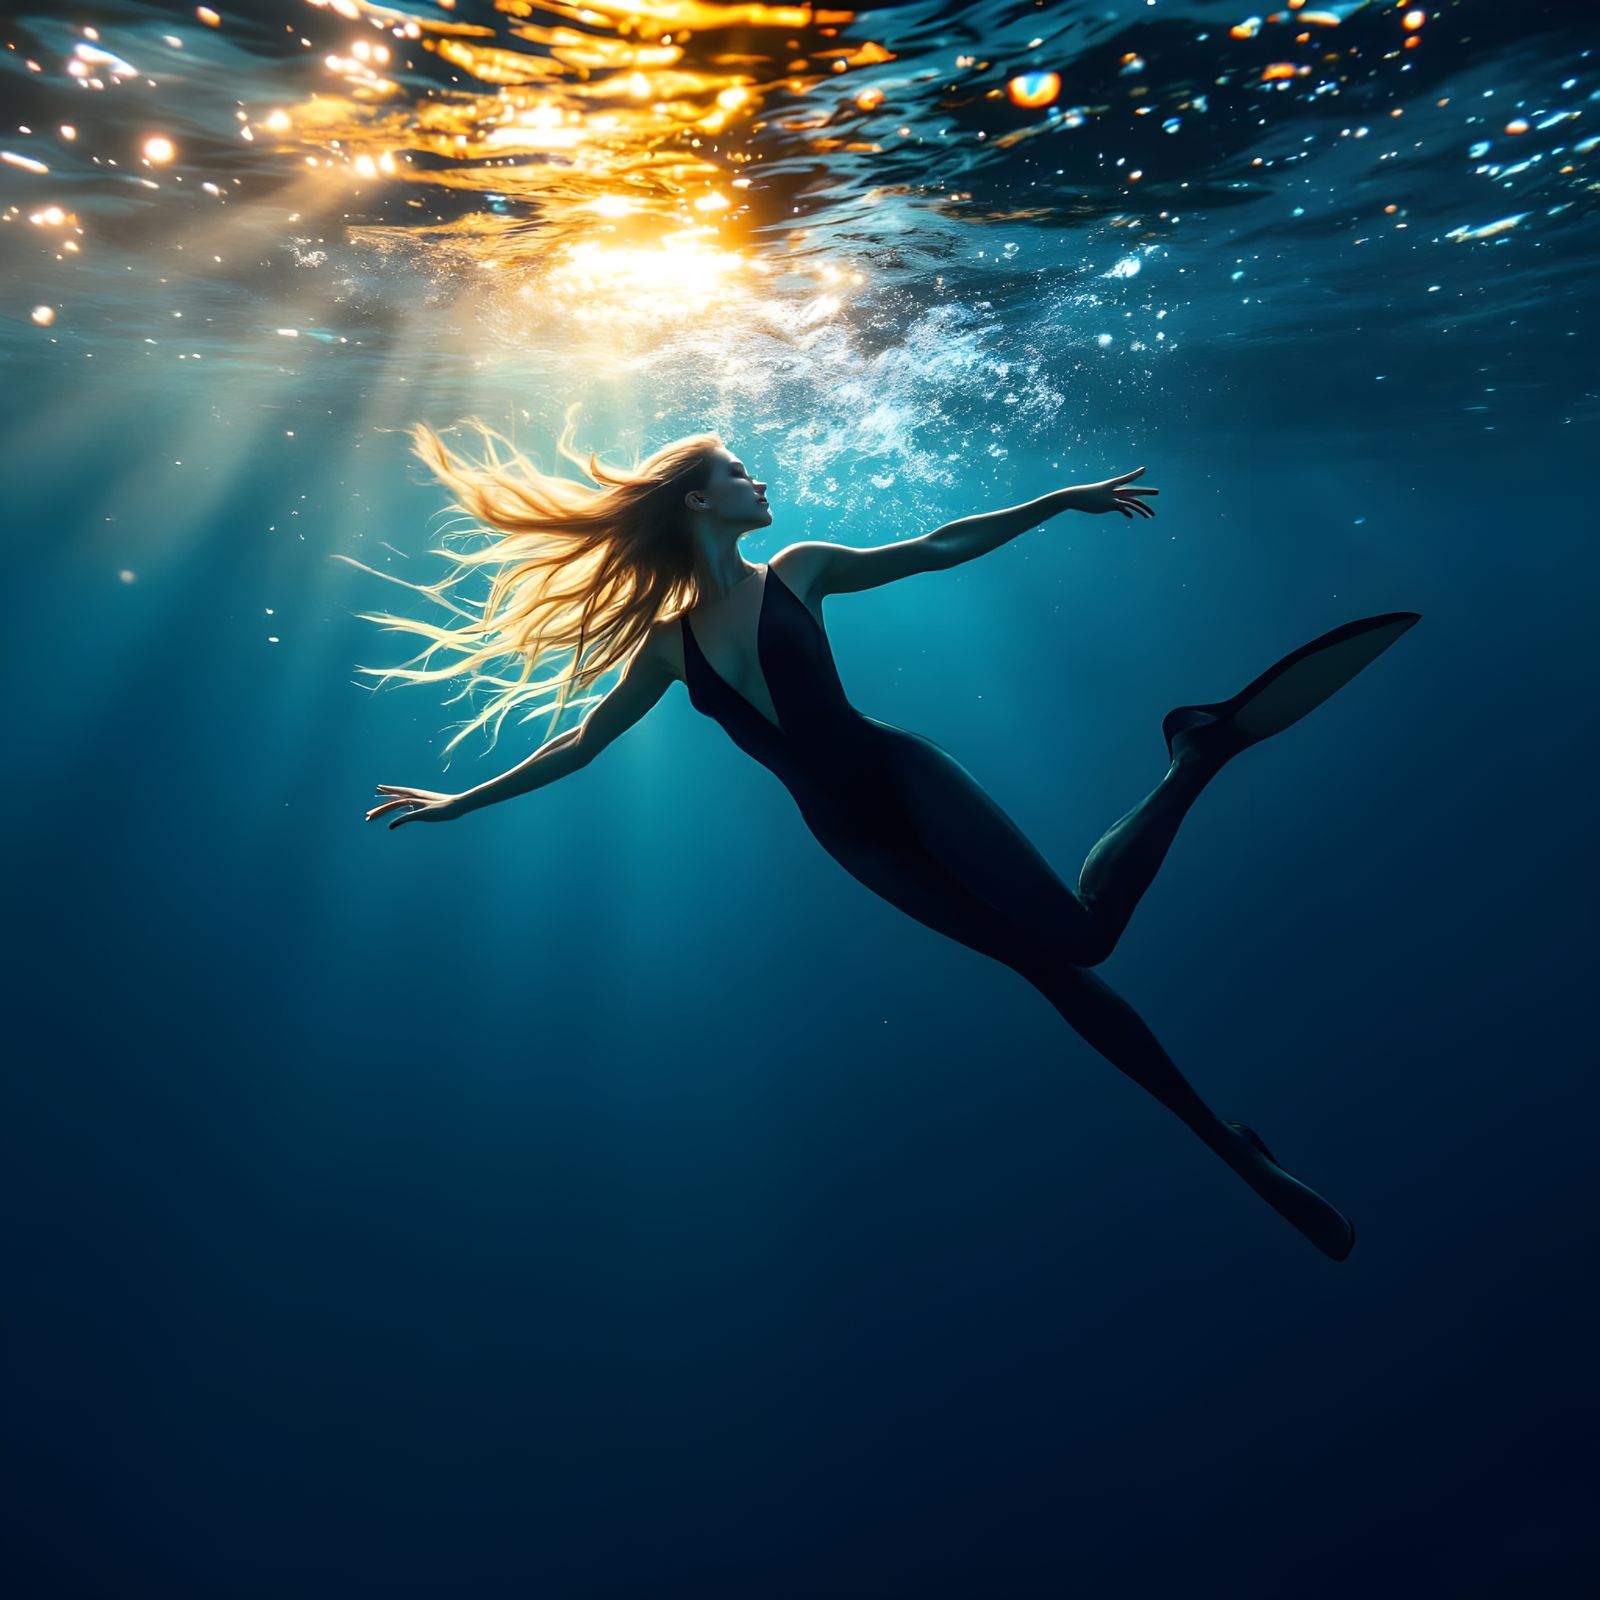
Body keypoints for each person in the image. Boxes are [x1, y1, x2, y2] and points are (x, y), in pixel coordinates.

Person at [349, 415, 1419, 1260]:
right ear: (695, 498)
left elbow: (936, 548)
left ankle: (1197, 751)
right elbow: (580, 745)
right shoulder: (666, 649)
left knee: (1083, 941)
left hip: (903, 781)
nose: (758, 480)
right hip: (854, 840)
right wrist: (460, 803)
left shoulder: (800, 569)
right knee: (1046, 970)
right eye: (738, 469)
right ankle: (1234, 1156)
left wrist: (1063, 498)